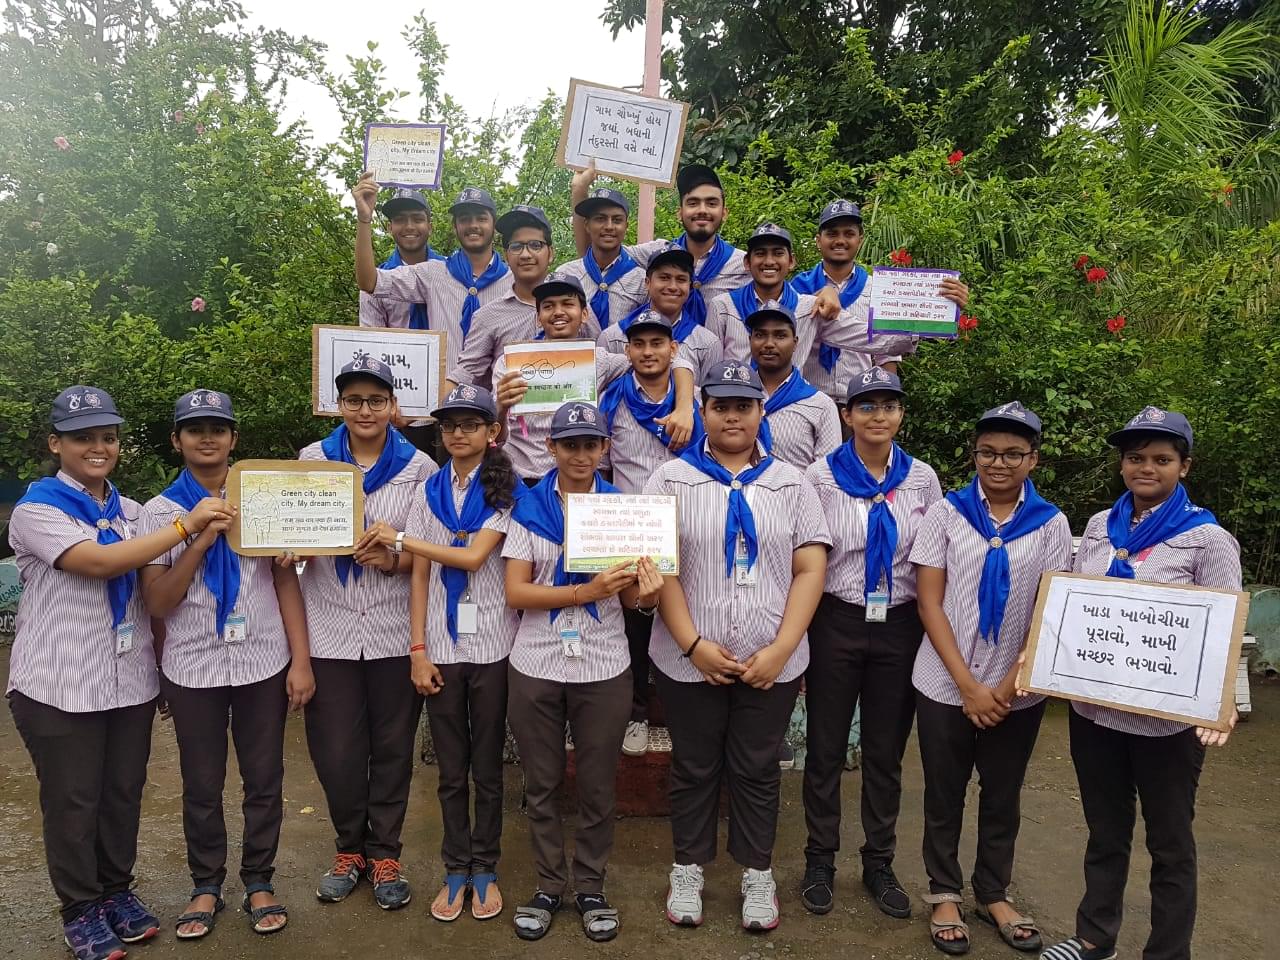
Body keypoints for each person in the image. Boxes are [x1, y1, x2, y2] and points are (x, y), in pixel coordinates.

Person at [7, 386, 231, 960]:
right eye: (82, 437)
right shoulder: (38, 511)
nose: (98, 447)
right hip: (59, 683)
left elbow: (151, 594)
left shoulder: (131, 512)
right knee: (73, 800)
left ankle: (115, 891)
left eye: (107, 437)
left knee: (123, 794)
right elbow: (102, 562)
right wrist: (186, 527)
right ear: (56, 444)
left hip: (129, 680)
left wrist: (162, 669)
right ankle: (80, 908)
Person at [1039, 408, 1242, 960]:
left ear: (1184, 466)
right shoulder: (1100, 526)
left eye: (1161, 459)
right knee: (1105, 831)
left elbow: (1224, 628)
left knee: (1170, 842)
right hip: (1095, 714)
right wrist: (1047, 657)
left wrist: (1224, 699)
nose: (1145, 468)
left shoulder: (1207, 539)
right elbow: (1077, 605)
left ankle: (1168, 952)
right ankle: (1094, 938)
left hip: (1165, 725)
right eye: (1135, 458)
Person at [644, 360, 831, 932]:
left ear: (760, 412)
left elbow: (810, 567)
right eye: (720, 406)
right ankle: (687, 868)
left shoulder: (792, 483)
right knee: (694, 765)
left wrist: (781, 649)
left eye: (743, 406)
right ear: (703, 412)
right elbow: (660, 567)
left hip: (769, 660)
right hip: (687, 659)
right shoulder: (670, 479)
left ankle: (757, 872)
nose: (732, 416)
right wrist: (692, 643)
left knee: (757, 767)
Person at [138, 389, 315, 939]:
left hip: (263, 659)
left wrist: (301, 662)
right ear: (177, 441)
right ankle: (206, 884)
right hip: (193, 666)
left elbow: (285, 582)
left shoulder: (263, 498)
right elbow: (158, 602)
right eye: (195, 429)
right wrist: (197, 536)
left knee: (264, 778)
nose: (207, 438)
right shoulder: (159, 513)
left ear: (234, 438)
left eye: (218, 428)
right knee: (201, 782)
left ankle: (259, 879)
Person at [910, 402, 1072, 956]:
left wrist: (1003, 688)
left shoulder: (1051, 524)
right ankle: (944, 892)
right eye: (987, 452)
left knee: (1003, 793)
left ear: (1033, 459)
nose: (998, 463)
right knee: (943, 790)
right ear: (974, 455)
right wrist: (968, 686)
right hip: (943, 681)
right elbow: (929, 602)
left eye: (1012, 454)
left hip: (1015, 691)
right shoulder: (946, 514)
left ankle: (993, 892)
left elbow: (1050, 611)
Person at [502, 401, 664, 943]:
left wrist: (647, 596)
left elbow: (636, 600)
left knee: (597, 784)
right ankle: (549, 885)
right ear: (551, 447)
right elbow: (516, 591)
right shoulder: (527, 508)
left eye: (590, 444)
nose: (580, 454)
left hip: (604, 661)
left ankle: (591, 885)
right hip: (536, 660)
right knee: (542, 783)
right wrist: (584, 592)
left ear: (604, 449)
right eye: (569, 444)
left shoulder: (623, 511)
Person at [361, 384, 522, 923]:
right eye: (450, 425)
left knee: (487, 769)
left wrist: (400, 539)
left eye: (470, 424)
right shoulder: (429, 488)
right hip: (443, 646)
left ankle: (486, 867)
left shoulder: (506, 487)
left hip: (493, 644)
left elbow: (473, 557)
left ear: (492, 432)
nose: (457, 433)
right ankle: (456, 868)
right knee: (451, 770)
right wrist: (418, 648)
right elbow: (422, 575)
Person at [799, 367, 942, 919]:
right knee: (826, 747)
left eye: (889, 406)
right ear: (846, 414)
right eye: (866, 406)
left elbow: (932, 554)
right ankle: (819, 858)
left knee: (885, 751)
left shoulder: (922, 478)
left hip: (900, 623)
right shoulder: (819, 477)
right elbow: (809, 552)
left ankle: (879, 861)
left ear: (901, 414)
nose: (878, 416)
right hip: (836, 618)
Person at [298, 357, 437, 911]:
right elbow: (293, 531)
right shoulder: (312, 460)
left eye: (376, 400)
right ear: (339, 405)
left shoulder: (420, 468)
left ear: (393, 406)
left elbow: (431, 553)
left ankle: (384, 853)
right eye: (354, 400)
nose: (365, 410)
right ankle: (347, 848)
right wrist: (289, 546)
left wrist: (395, 558)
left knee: (392, 747)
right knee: (336, 750)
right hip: (329, 626)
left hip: (392, 628)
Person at [598, 308, 706, 755]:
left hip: (691, 521)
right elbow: (603, 466)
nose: (648, 352)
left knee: (692, 612)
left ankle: (692, 707)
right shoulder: (611, 401)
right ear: (627, 351)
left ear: (673, 349)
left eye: (657, 343)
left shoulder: (697, 402)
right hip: (633, 525)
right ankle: (636, 713)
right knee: (636, 623)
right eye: (639, 344)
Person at [491, 272, 696, 482]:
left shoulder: (598, 360)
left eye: (567, 304)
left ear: (584, 314)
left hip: (580, 479)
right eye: (548, 306)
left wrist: (684, 408)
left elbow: (672, 362)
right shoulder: (510, 363)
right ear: (538, 317)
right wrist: (500, 407)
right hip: (523, 479)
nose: (558, 312)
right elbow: (495, 436)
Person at [793, 200, 970, 404]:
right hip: (807, 404)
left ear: (860, 240)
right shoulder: (796, 291)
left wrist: (945, 306)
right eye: (832, 234)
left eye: (849, 234)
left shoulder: (879, 291)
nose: (840, 240)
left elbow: (887, 354)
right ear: (818, 240)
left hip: (859, 404)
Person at [354, 175, 512, 375]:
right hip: (415, 380)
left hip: (492, 390)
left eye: (481, 218)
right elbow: (368, 282)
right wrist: (364, 219)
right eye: (464, 219)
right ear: (454, 226)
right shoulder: (434, 273)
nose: (473, 225)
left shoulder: (513, 282)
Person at [573, 161, 749, 324]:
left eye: (711, 203)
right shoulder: (657, 252)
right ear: (680, 213)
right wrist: (579, 189)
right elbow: (598, 250)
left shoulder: (743, 265)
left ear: (724, 213)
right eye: (693, 203)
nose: (702, 210)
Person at [447, 205, 597, 390]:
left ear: (551, 253)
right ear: (506, 256)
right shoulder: (487, 317)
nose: (526, 255)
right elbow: (465, 374)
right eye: (516, 247)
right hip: (509, 408)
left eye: (535, 245)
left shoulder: (578, 309)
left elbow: (599, 358)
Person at [597, 242, 724, 381]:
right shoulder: (613, 338)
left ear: (690, 286)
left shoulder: (707, 345)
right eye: (664, 278)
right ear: (647, 283)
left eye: (681, 279)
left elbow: (711, 394)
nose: (673, 287)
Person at [745, 301, 841, 469]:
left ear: (795, 343)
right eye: (760, 335)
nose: (769, 343)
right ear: (750, 340)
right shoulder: (734, 398)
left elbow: (827, 475)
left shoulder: (821, 405)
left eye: (780, 336)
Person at [358, 188, 446, 331]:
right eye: (400, 220)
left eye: (417, 219)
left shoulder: (451, 272)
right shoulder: (375, 282)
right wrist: (363, 218)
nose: (409, 227)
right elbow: (372, 337)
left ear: (430, 227)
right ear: (389, 228)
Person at [558, 187, 647, 327]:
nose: (609, 226)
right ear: (587, 225)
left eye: (617, 220)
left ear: (626, 226)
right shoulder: (566, 274)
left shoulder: (642, 280)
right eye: (600, 219)